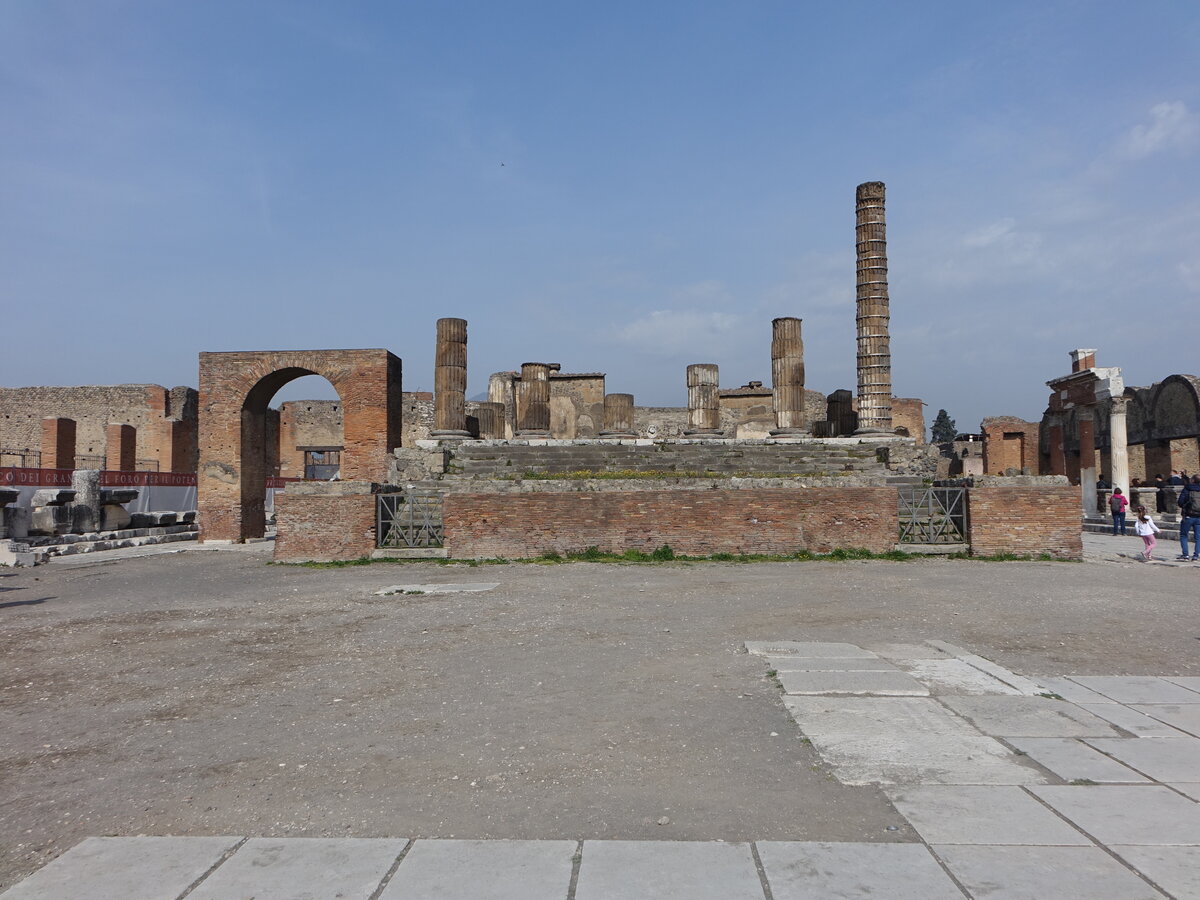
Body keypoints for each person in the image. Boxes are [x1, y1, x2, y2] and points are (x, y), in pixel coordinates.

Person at [1178, 475, 1200, 561]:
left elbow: (1180, 502)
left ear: (1193, 480)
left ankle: (1185, 555)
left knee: (1184, 535)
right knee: (1198, 537)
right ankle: (1196, 555)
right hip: (1199, 516)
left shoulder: (1187, 488)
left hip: (1188, 515)